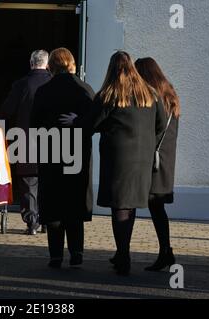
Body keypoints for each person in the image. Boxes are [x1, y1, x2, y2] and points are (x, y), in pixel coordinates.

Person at [60, 51, 167, 275]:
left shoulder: (110, 95)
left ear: (111, 70)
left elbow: (91, 124)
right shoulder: (151, 94)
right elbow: (160, 125)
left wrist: (74, 121)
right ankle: (122, 252)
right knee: (128, 207)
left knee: (120, 207)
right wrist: (149, 144)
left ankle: (123, 254)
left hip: (118, 158)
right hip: (142, 159)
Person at [32, 48, 95, 268]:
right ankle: (77, 252)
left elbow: (34, 125)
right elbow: (94, 122)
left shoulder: (43, 91)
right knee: (75, 203)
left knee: (54, 204)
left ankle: (55, 255)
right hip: (77, 153)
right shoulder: (84, 89)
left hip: (51, 152)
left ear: (51, 66)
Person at [135, 57, 180, 271]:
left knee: (144, 204)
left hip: (152, 160)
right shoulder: (170, 95)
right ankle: (166, 251)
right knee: (157, 207)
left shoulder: (153, 98)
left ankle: (165, 252)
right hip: (164, 160)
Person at [0, 50, 52, 235]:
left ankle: (32, 222)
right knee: (49, 180)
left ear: (31, 63)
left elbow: (7, 111)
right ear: (47, 64)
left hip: (24, 138)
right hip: (52, 140)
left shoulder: (21, 85)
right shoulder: (53, 83)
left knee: (29, 181)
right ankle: (48, 221)